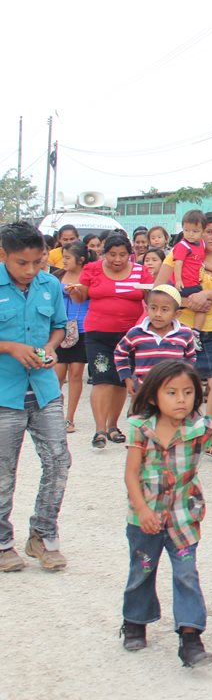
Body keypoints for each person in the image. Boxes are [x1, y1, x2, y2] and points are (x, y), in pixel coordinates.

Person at [118, 361, 212, 665]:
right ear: (154, 396)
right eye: (171, 392)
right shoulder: (141, 428)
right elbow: (131, 475)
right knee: (142, 570)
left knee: (186, 575)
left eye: (188, 392)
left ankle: (190, 637)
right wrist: (142, 510)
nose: (181, 399)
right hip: (144, 518)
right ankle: (134, 622)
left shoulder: (200, 428)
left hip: (184, 517)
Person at [0, 222, 70, 573]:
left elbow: (60, 326)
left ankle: (42, 536)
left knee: (59, 462)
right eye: (21, 263)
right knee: (3, 472)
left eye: (37, 263)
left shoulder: (51, 285)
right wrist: (10, 346)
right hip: (4, 394)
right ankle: (1, 543)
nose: (30, 271)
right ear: (2, 255)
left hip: (44, 389)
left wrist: (50, 348)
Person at [70, 233, 152, 448]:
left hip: (129, 336)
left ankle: (113, 426)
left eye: (122, 255)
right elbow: (81, 298)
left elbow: (150, 299)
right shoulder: (92, 269)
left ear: (130, 254)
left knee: (119, 381)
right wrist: (74, 292)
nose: (117, 259)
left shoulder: (140, 271)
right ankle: (99, 430)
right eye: (112, 255)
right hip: (98, 333)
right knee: (102, 378)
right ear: (104, 253)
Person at [155, 213, 212, 432]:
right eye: (209, 232)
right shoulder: (178, 253)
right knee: (180, 383)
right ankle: (179, 427)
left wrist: (206, 295)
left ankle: (210, 432)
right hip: (183, 329)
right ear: (199, 230)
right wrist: (189, 302)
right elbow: (159, 291)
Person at [113, 286, 196, 394]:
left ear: (176, 314)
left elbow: (191, 357)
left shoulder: (185, 333)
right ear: (147, 309)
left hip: (173, 392)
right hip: (143, 391)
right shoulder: (136, 333)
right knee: (138, 411)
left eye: (164, 309)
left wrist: (184, 377)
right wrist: (127, 378)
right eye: (153, 308)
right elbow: (120, 353)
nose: (158, 314)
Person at [53, 241, 91, 433]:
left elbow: (82, 298)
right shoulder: (57, 275)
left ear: (81, 259)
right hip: (60, 329)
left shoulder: (89, 276)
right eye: (63, 257)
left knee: (76, 374)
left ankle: (69, 418)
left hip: (82, 328)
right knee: (57, 375)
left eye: (68, 258)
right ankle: (53, 415)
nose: (64, 261)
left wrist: (76, 291)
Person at [171, 209, 210, 337]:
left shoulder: (201, 245)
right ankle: (175, 331)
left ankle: (196, 332)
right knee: (176, 308)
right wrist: (178, 280)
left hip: (194, 284)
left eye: (195, 231)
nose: (190, 234)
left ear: (203, 231)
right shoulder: (183, 245)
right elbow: (178, 263)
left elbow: (200, 262)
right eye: (186, 230)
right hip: (183, 284)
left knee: (202, 307)